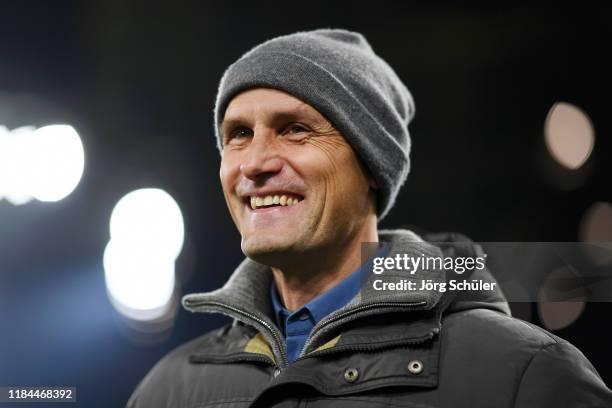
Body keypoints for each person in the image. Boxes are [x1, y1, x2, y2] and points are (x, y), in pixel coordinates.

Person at [127, 29, 612, 407]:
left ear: (373, 169)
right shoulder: (166, 390)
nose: (254, 163)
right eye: (237, 135)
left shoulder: (524, 375)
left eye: (295, 130)